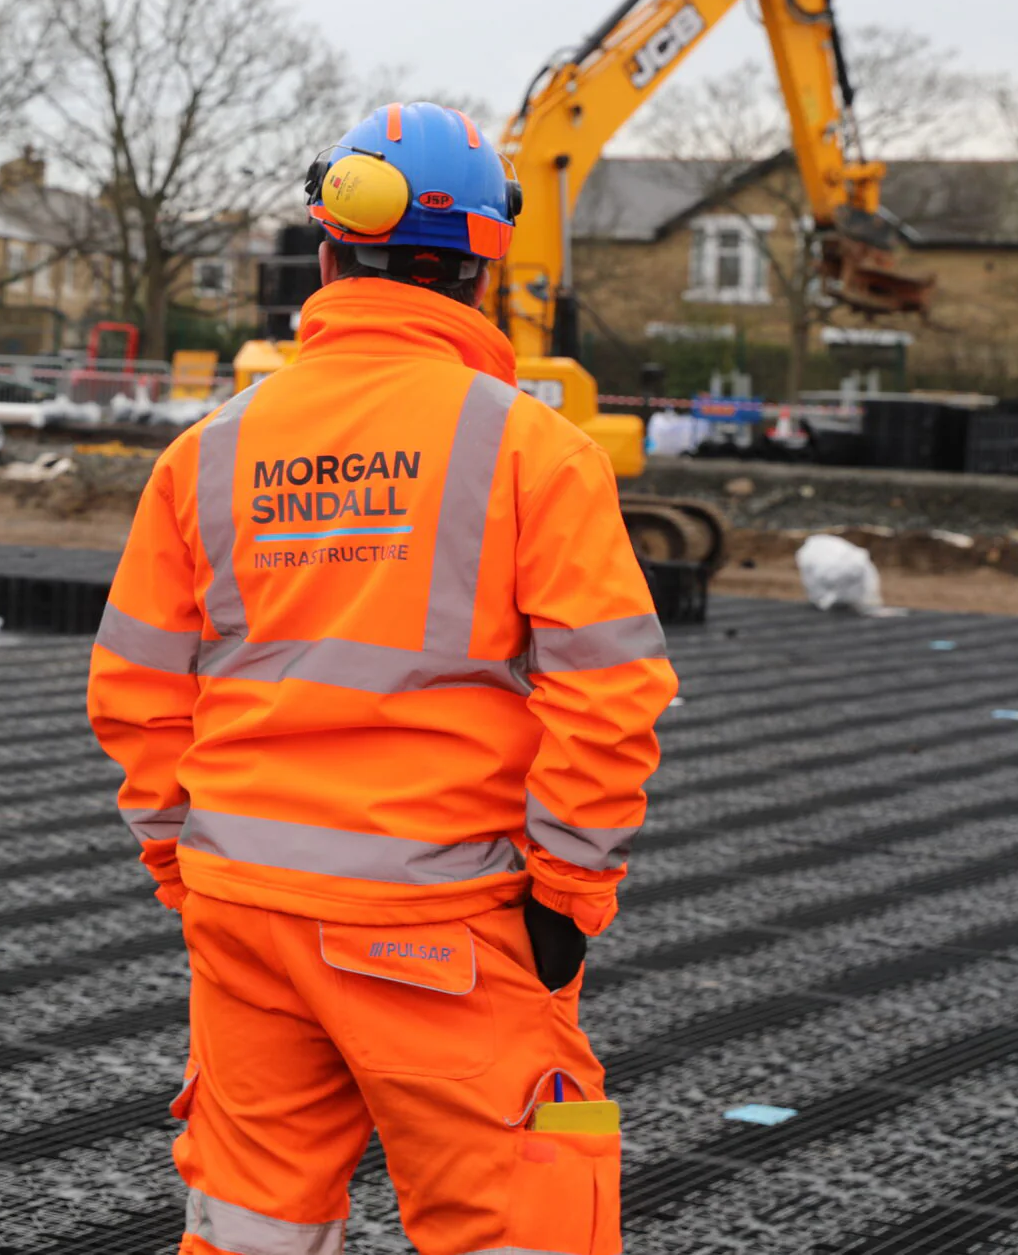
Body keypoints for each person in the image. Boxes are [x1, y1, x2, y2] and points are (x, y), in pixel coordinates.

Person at [87, 103, 678, 1255]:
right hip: (440, 924)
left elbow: (136, 687)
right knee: (520, 1222)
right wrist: (566, 894)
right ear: (476, 272)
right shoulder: (530, 449)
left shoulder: (205, 451)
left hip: (242, 909)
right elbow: (609, 694)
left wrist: (178, 860)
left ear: (326, 253)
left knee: (251, 1222)